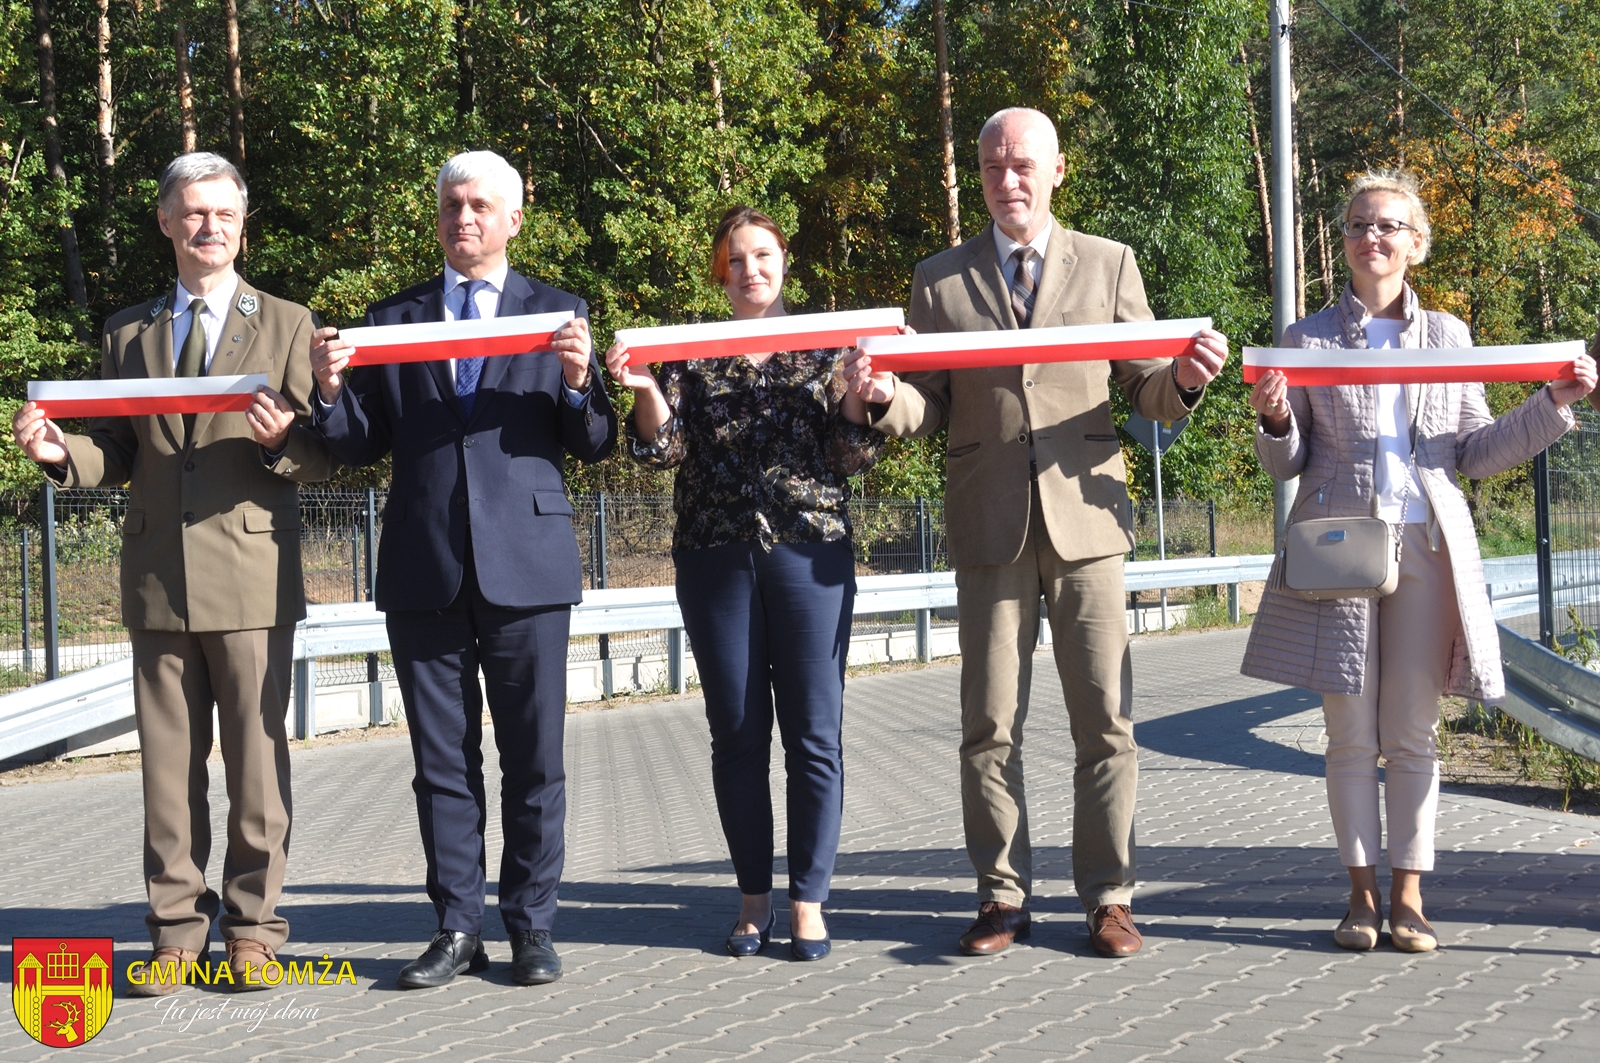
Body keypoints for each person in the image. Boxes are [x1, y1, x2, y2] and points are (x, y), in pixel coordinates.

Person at [844, 108, 1229, 957]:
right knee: (988, 724)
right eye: (991, 167)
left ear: (1058, 171)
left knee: (1107, 722)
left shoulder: (1110, 263)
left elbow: (1144, 391)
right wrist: (880, 398)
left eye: (1023, 164)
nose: (1007, 180)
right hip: (989, 523)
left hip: (1088, 521)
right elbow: (927, 403)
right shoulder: (938, 280)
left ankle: (1109, 896)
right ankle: (1001, 897)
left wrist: (1188, 382)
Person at [1242, 170, 1596, 952]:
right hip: (1338, 550)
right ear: (1342, 241)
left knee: (1412, 730)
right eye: (1361, 225)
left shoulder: (1449, 336)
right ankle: (1358, 896)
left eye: (1391, 225)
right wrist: (1272, 416)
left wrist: (1554, 404)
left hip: (1429, 548)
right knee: (1348, 735)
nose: (1375, 237)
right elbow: (1287, 460)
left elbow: (1473, 451)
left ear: (1416, 243)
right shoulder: (1306, 339)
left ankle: (1410, 894)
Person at [10, 152, 334, 994]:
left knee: (258, 769)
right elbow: (115, 452)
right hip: (158, 574)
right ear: (166, 222)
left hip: (253, 573)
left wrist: (280, 442)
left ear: (242, 221)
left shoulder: (290, 323)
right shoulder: (127, 332)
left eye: (224, 213)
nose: (209, 227)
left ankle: (255, 930)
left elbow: (322, 453)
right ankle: (175, 933)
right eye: (193, 213)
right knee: (167, 769)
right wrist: (56, 452)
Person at [309, 151, 616, 987]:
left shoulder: (558, 312)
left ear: (515, 218)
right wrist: (332, 393)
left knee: (534, 758)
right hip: (423, 565)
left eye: (481, 204)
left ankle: (532, 926)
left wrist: (582, 384)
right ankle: (456, 927)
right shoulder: (393, 319)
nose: (463, 218)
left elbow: (592, 442)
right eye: (451, 205)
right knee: (441, 763)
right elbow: (357, 443)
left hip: (528, 565)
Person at [604, 206, 883, 961]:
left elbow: (853, 454)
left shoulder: (827, 346)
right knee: (736, 733)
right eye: (734, 259)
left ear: (784, 261)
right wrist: (640, 384)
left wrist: (859, 393)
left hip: (810, 552)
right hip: (714, 555)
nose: (749, 269)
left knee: (813, 737)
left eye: (762, 254)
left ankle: (810, 902)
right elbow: (662, 449)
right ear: (718, 272)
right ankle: (752, 898)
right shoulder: (689, 352)